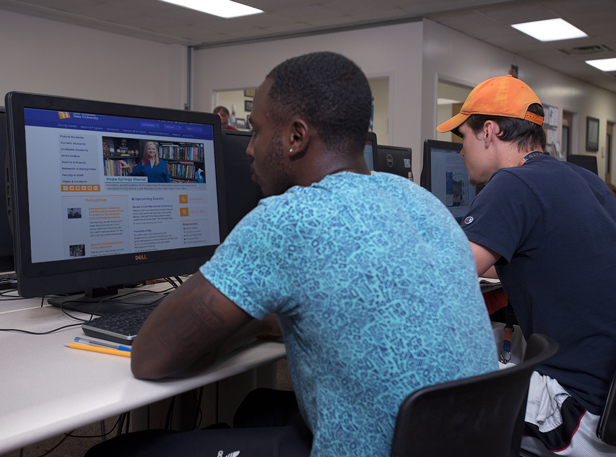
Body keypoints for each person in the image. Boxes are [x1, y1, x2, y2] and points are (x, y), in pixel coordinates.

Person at [88, 52, 497, 457]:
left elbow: (150, 357)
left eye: (257, 131)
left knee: (113, 453)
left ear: (296, 137)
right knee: (256, 409)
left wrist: (249, 325)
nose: (249, 149)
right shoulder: (420, 200)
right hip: (460, 440)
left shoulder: (292, 218)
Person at [437, 75, 616, 456]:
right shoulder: (587, 181)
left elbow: (445, 276)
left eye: (463, 137)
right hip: (607, 393)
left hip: (576, 411)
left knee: (430, 400)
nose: (462, 150)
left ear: (489, 131)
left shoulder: (512, 184)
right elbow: (548, 261)